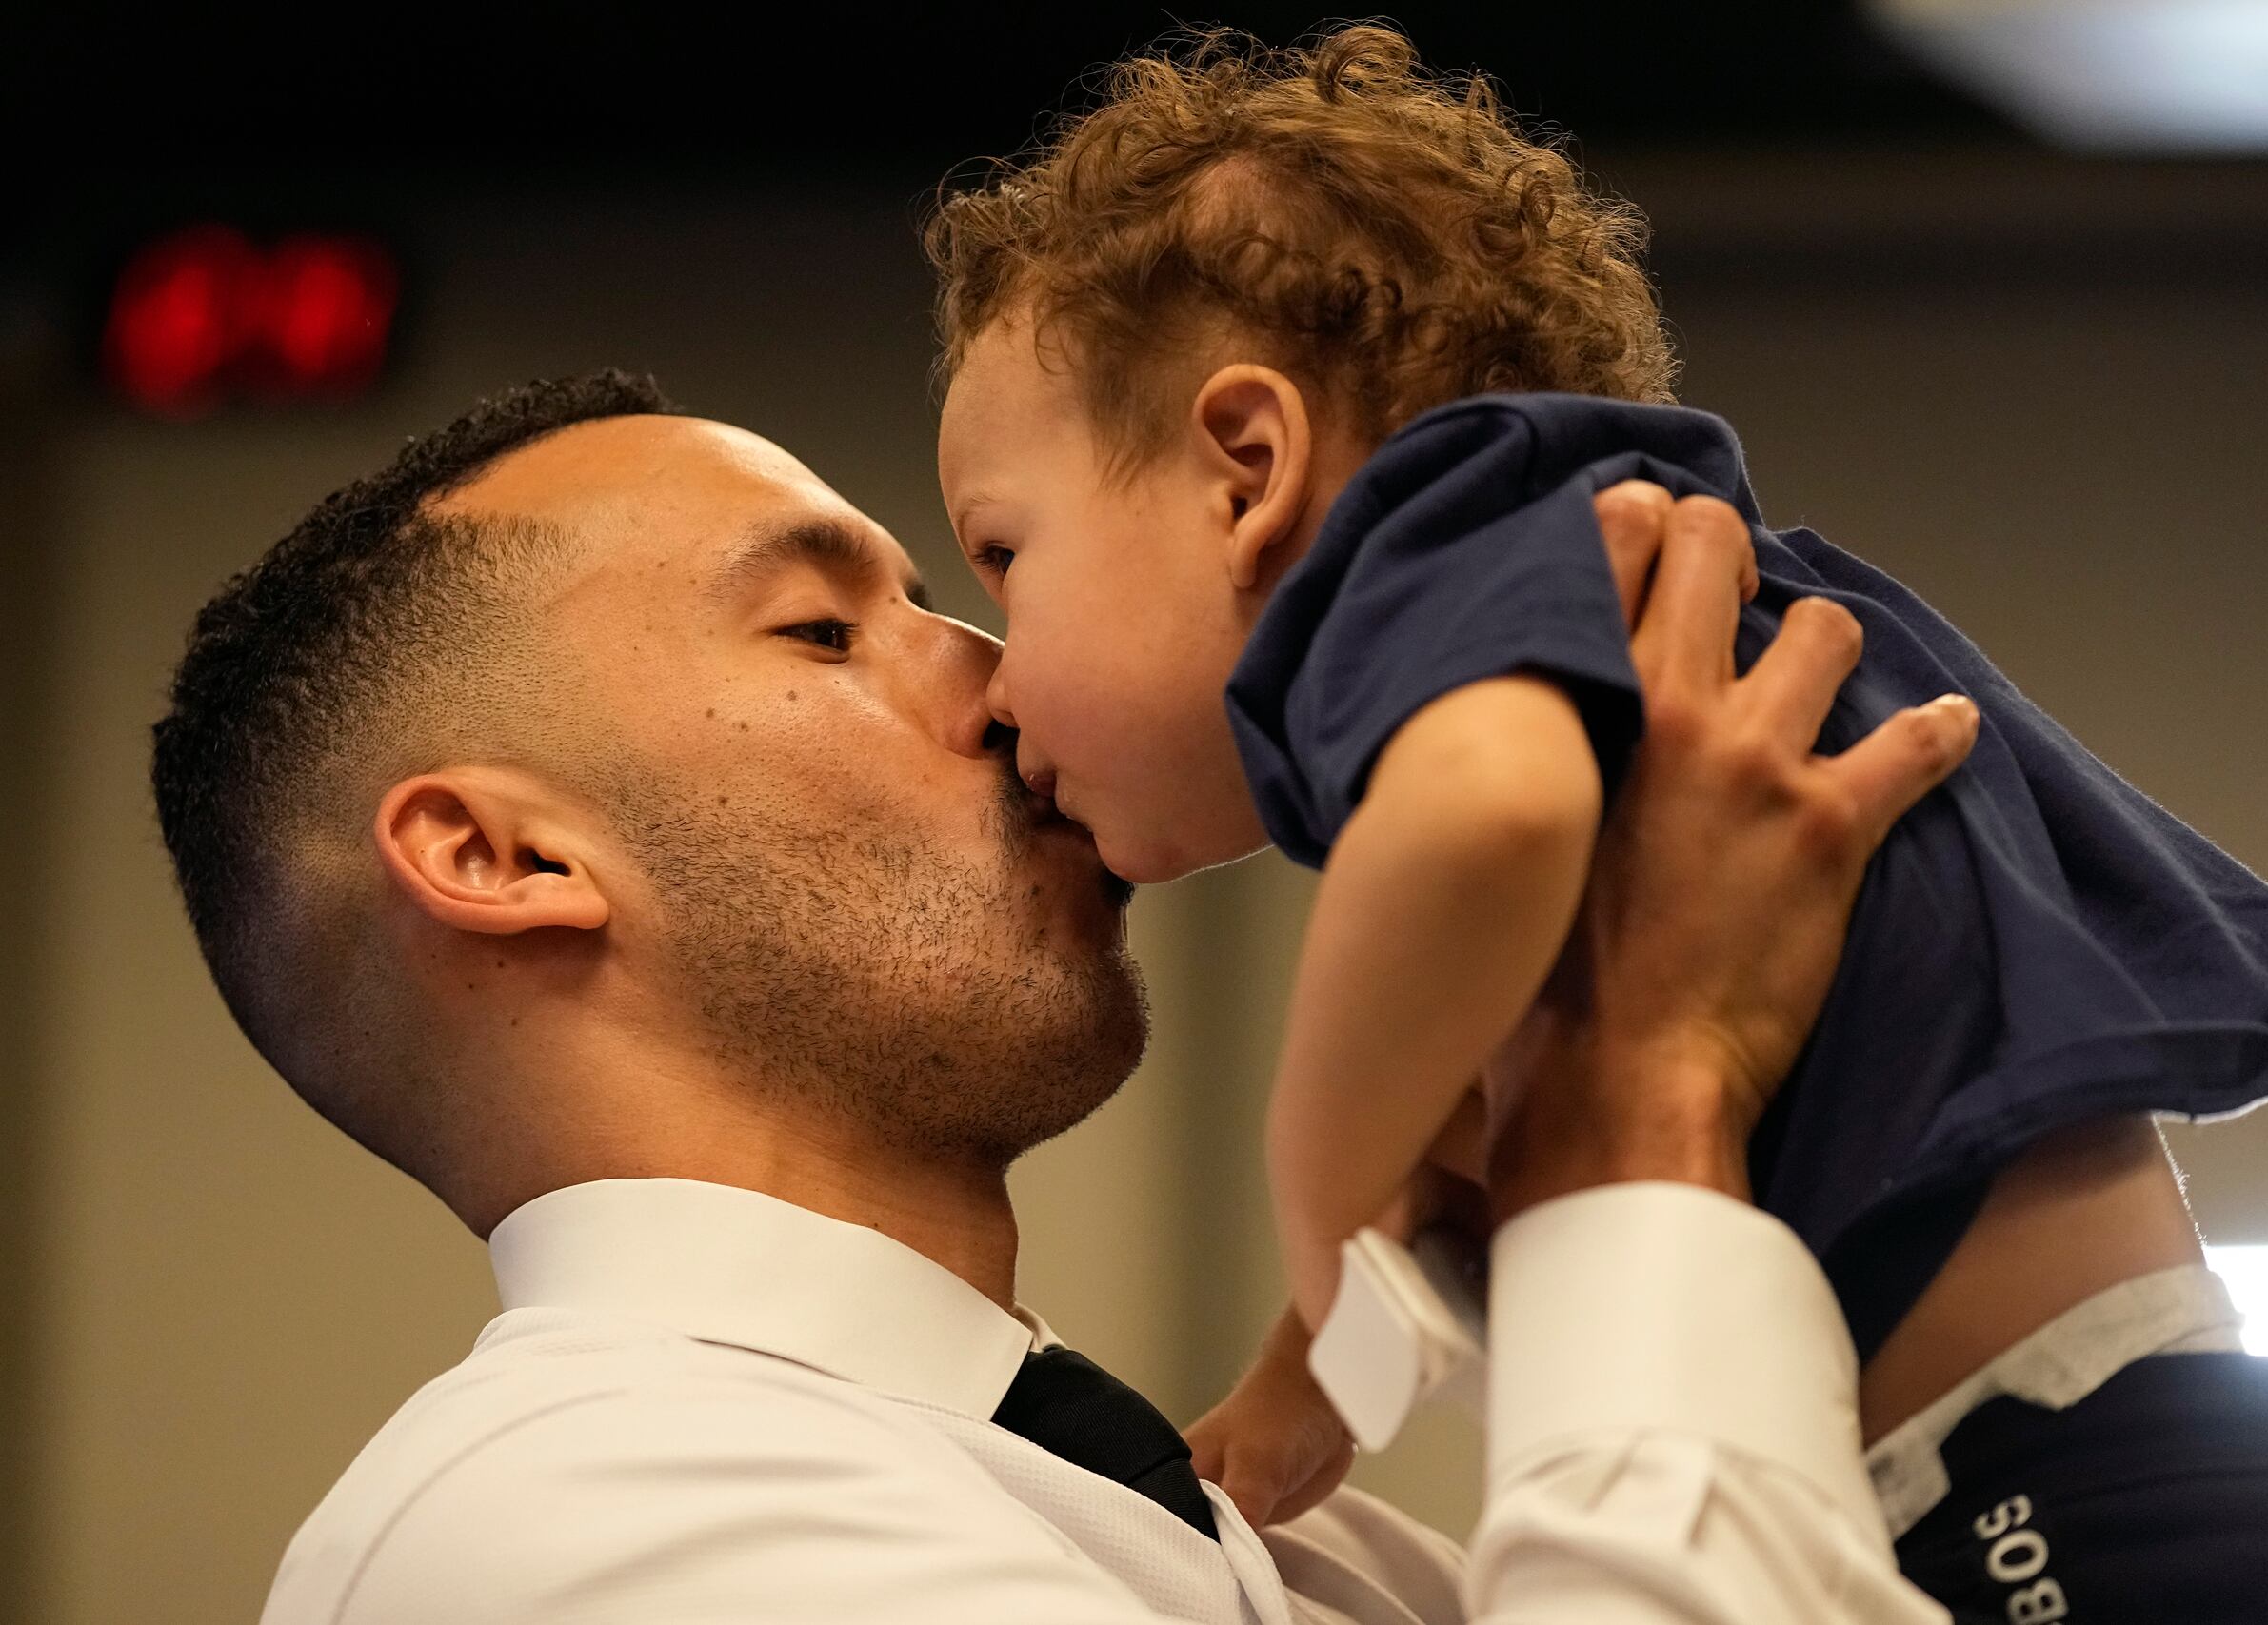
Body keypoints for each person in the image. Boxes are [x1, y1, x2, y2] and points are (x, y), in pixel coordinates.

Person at [925, 25, 2268, 1621]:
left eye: (1003, 557)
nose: (998, 683)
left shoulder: (1431, 557)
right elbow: (1474, 1121)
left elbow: (1486, 822)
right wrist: (1319, 1370)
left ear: (1247, 465)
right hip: (2113, 1466)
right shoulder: (1553, 593)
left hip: (2062, 1501)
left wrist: (1315, 1194)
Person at [154, 369, 1975, 1623]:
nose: (1009, 679)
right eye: (824, 631)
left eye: (960, 591)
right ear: (501, 858)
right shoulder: (589, 1524)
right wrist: (1645, 1097)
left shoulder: (1258, 1539)